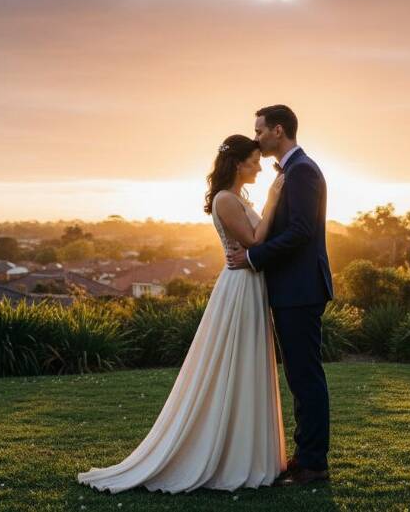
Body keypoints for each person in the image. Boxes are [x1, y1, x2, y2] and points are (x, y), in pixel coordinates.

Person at [77, 134, 288, 493]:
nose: (258, 166)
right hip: (239, 287)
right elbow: (254, 241)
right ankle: (225, 453)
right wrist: (272, 201)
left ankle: (250, 451)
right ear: (238, 164)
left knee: (247, 361)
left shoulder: (236, 197)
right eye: (253, 161)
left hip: (251, 284)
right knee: (233, 362)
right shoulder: (225, 199)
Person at [226, 104, 334, 486]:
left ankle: (313, 465)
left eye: (259, 131)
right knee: (300, 377)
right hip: (291, 288)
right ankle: (306, 457)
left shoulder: (302, 171)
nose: (256, 138)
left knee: (305, 377)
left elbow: (302, 231)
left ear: (278, 130)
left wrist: (254, 255)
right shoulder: (293, 171)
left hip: (300, 289)